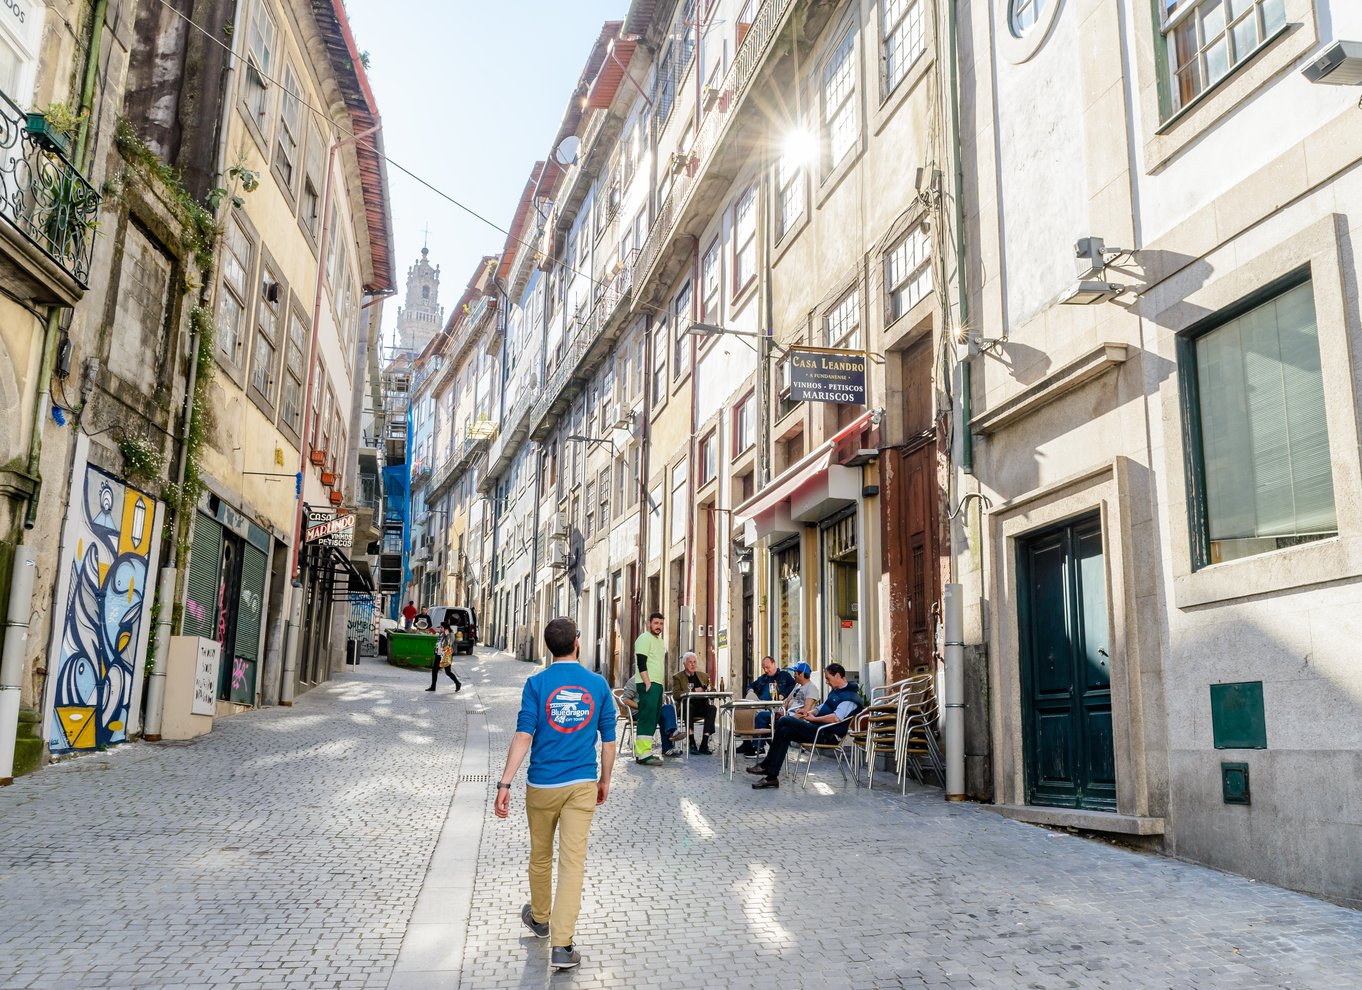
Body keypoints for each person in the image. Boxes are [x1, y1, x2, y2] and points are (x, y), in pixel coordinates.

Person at [494, 617, 617, 971]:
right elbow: (608, 741)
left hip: (541, 786)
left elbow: (523, 735)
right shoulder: (597, 684)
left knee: (540, 856)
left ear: (548, 647)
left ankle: (541, 918)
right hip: (581, 785)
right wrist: (604, 780)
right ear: (576, 642)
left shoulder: (536, 683)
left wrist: (505, 783)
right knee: (572, 862)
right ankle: (562, 947)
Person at [746, 663, 862, 789]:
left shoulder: (850, 698)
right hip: (817, 729)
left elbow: (836, 717)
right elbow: (820, 708)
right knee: (785, 731)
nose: (827, 682)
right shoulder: (836, 691)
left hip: (827, 735)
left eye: (828, 678)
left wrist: (814, 718)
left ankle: (766, 764)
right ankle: (772, 777)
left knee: (784, 720)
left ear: (838, 676)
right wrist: (808, 713)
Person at [736, 656, 797, 756]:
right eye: (764, 668)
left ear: (774, 664)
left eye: (767, 667)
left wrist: (784, 694)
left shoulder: (784, 675)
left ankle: (756, 745)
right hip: (760, 704)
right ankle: (747, 742)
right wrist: (750, 690)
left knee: (751, 714)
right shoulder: (763, 678)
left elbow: (794, 686)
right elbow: (751, 685)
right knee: (743, 706)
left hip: (775, 706)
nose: (766, 670)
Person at [632, 611, 667, 766]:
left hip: (657, 684)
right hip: (648, 684)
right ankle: (642, 754)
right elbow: (641, 662)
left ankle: (646, 752)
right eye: (656, 623)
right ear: (649, 623)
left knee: (653, 718)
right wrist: (647, 683)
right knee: (646, 718)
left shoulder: (660, 641)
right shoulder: (644, 638)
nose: (658, 626)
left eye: (660, 623)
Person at [618, 681, 686, 757]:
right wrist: (641, 707)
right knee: (663, 714)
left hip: (653, 710)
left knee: (668, 708)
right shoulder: (634, 680)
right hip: (638, 712)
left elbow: (662, 699)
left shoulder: (656, 680)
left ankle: (671, 735)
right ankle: (671, 737)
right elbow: (626, 699)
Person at [671, 651, 716, 755]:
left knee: (712, 708)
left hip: (702, 706)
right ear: (684, 664)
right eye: (690, 662)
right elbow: (676, 695)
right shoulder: (678, 677)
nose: (693, 664)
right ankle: (692, 743)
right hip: (686, 707)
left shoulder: (704, 676)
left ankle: (704, 744)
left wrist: (709, 691)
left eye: (694, 662)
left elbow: (713, 691)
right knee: (689, 707)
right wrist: (694, 691)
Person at [426, 616, 462, 692]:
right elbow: (439, 642)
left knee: (448, 672)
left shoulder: (450, 634)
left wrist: (446, 635)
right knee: (434, 670)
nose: (440, 629)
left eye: (442, 628)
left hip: (446, 655)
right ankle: (433, 686)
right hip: (439, 654)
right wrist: (435, 650)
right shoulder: (441, 634)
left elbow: (448, 643)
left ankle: (457, 683)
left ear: (446, 628)